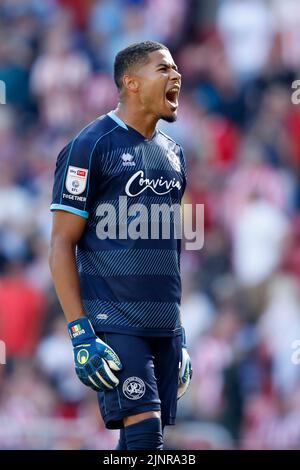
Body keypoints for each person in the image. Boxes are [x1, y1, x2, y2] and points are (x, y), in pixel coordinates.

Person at [49, 40, 192, 451]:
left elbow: (171, 250)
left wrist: (178, 333)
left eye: (176, 68)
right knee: (148, 437)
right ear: (131, 83)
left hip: (163, 324)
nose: (176, 76)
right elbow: (61, 244)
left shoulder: (175, 154)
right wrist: (80, 333)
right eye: (163, 69)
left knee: (137, 440)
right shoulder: (91, 145)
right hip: (113, 321)